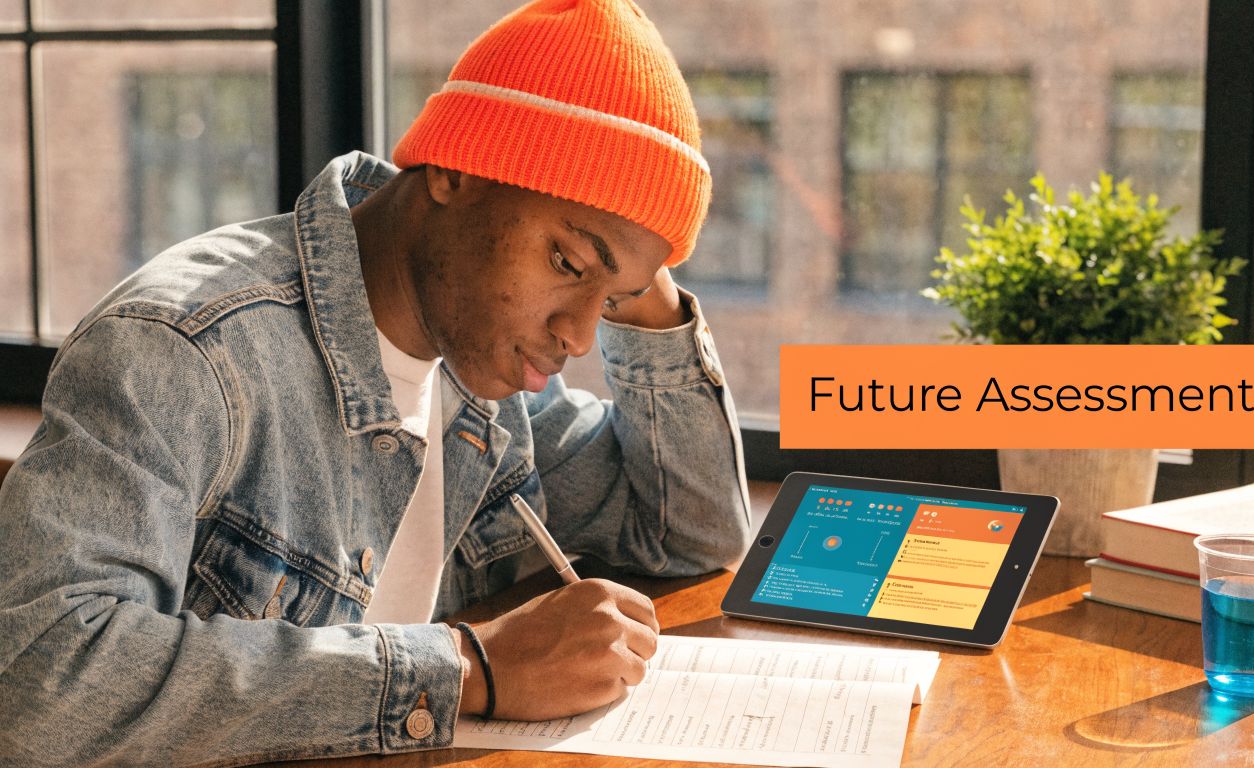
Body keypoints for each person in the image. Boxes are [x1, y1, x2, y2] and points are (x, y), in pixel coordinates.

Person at [0, 0, 751, 764]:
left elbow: (692, 534)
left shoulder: (482, 376)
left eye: (613, 298)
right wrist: (469, 669)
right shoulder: (183, 352)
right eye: (567, 264)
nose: (582, 336)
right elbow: (39, 686)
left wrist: (644, 287)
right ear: (457, 167)